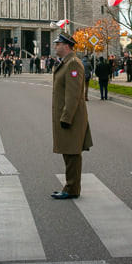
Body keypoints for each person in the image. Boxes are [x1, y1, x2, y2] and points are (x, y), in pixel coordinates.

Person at [50, 33, 93, 200]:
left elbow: (73, 95)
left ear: (65, 46)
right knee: (68, 153)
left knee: (72, 154)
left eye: (57, 44)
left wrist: (66, 117)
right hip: (68, 116)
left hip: (71, 118)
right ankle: (70, 186)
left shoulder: (73, 64)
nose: (55, 47)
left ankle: (72, 188)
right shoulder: (67, 63)